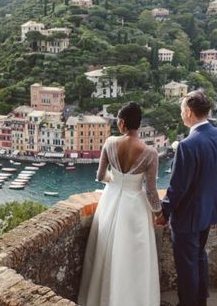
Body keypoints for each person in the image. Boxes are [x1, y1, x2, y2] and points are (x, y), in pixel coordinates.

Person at [78, 102, 161, 306]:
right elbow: (150, 191)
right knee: (133, 258)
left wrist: (114, 181)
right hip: (135, 206)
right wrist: (158, 211)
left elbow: (99, 176)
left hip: (110, 200)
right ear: (138, 125)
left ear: (122, 123)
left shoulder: (110, 142)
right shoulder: (150, 153)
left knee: (104, 252)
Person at [155, 91, 217, 306]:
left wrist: (164, 213)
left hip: (188, 214)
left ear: (189, 112)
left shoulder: (188, 145)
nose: (181, 114)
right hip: (210, 208)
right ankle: (200, 300)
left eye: (181, 110)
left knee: (186, 263)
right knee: (199, 255)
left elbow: (177, 187)